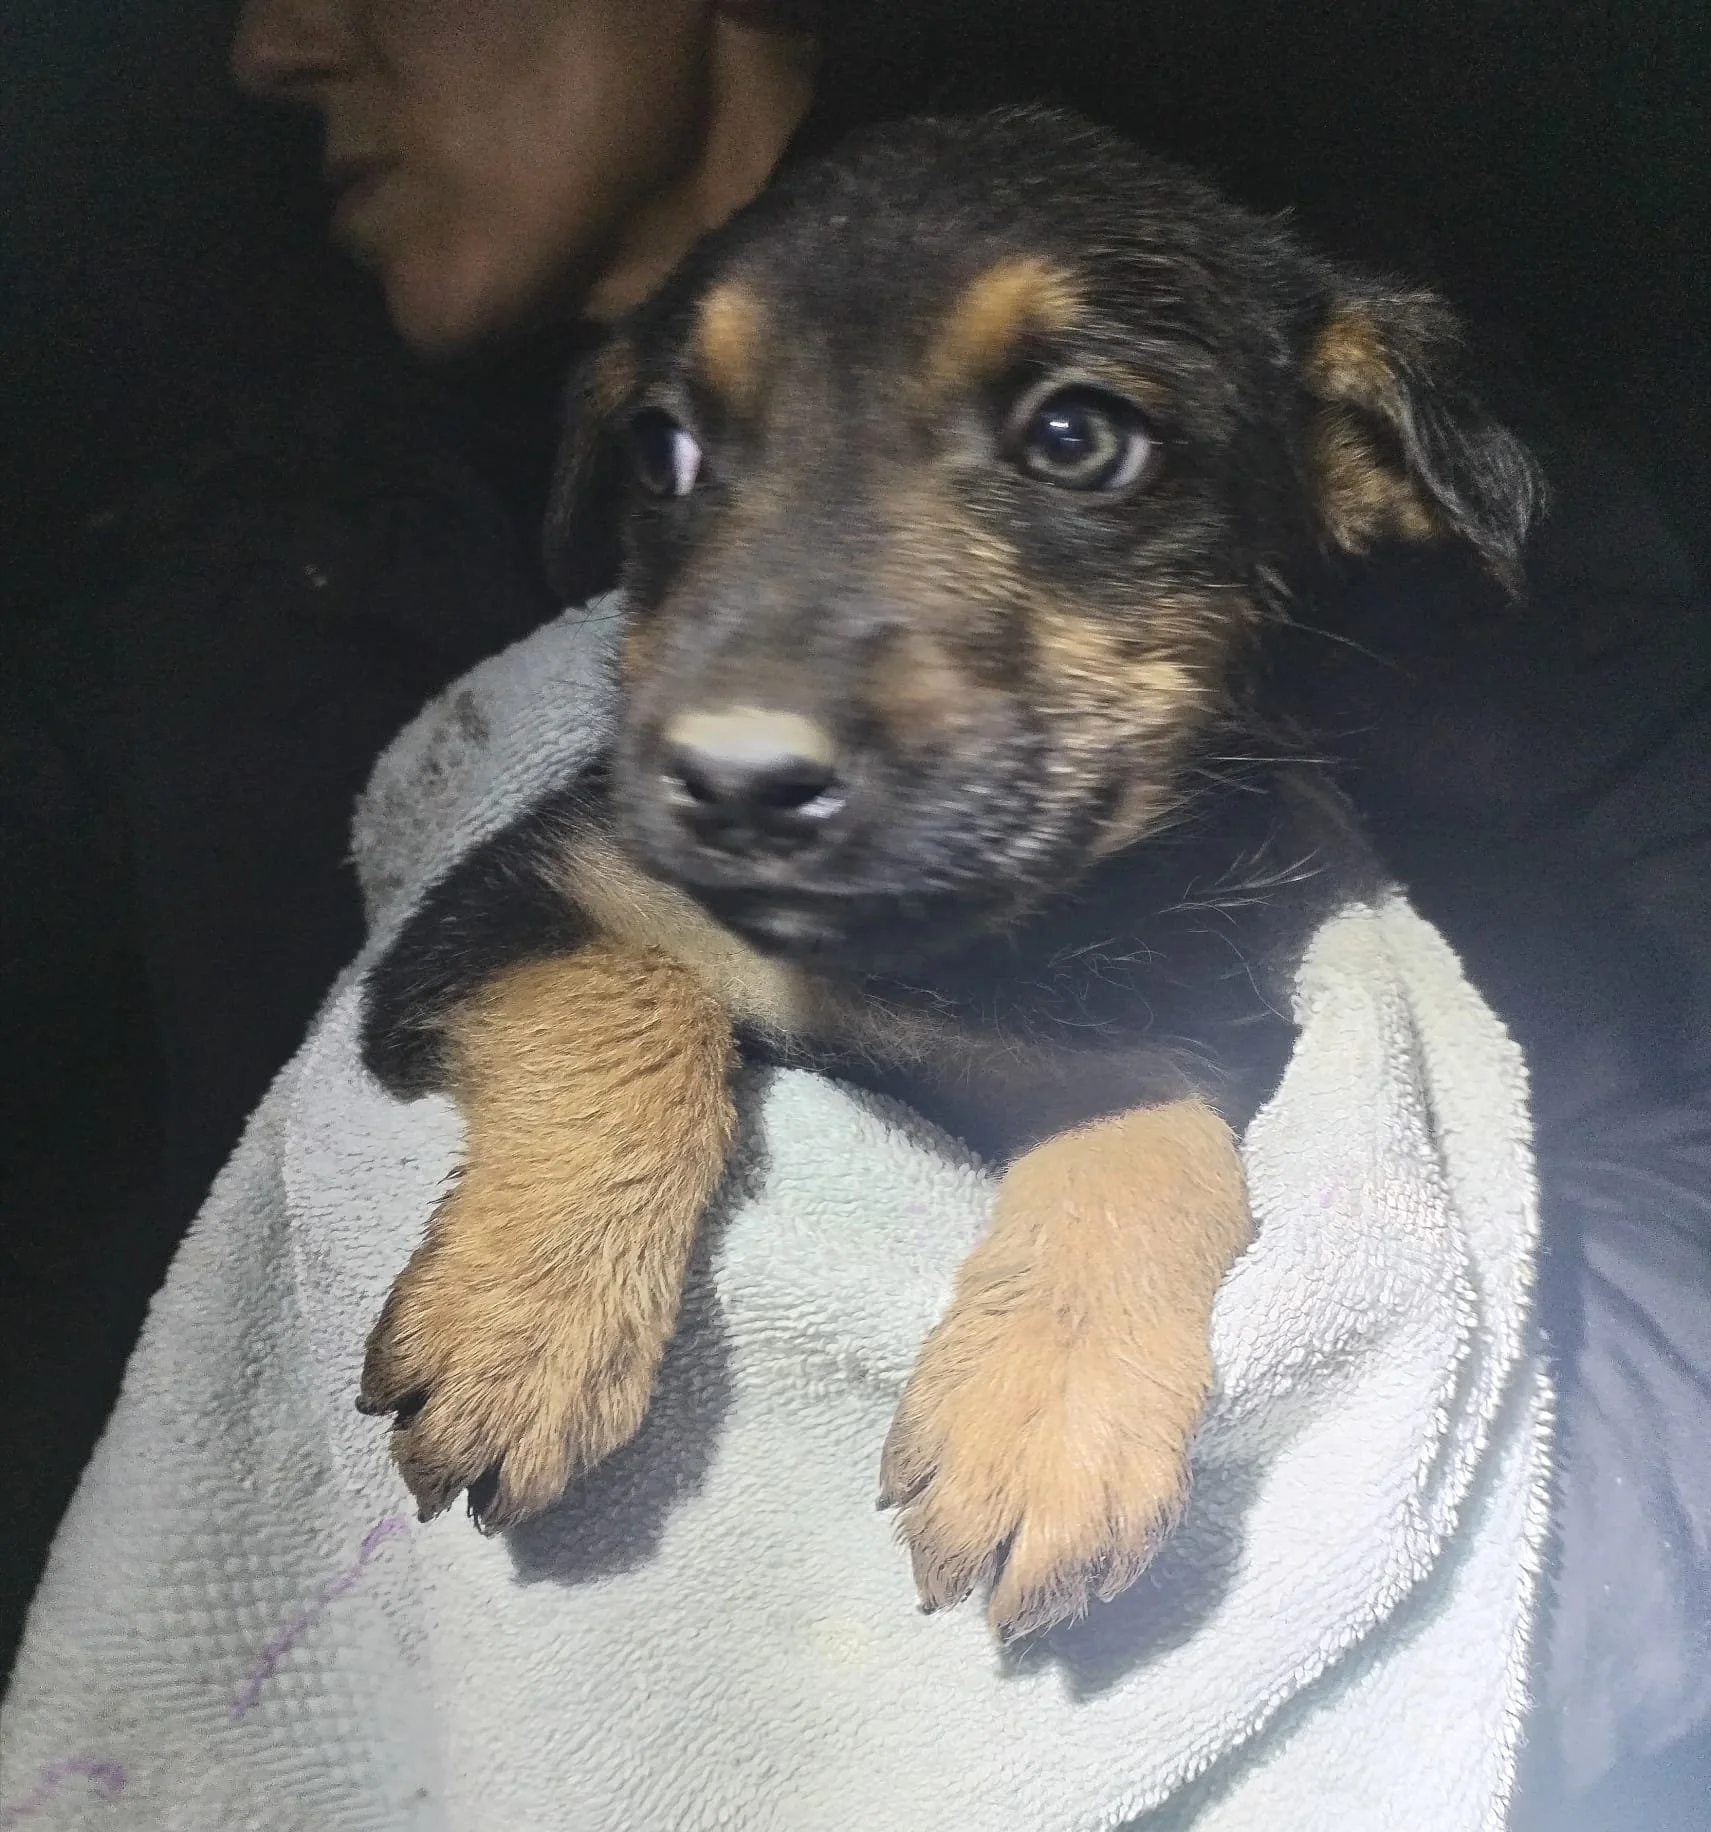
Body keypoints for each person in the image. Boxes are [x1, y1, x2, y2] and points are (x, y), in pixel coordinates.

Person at [15, 0, 1708, 1821]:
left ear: (1351, 458)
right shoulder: (231, 517)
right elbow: (520, 922)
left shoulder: (1286, 362)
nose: (270, 41)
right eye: (680, 457)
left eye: (1075, 441)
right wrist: (603, 1116)